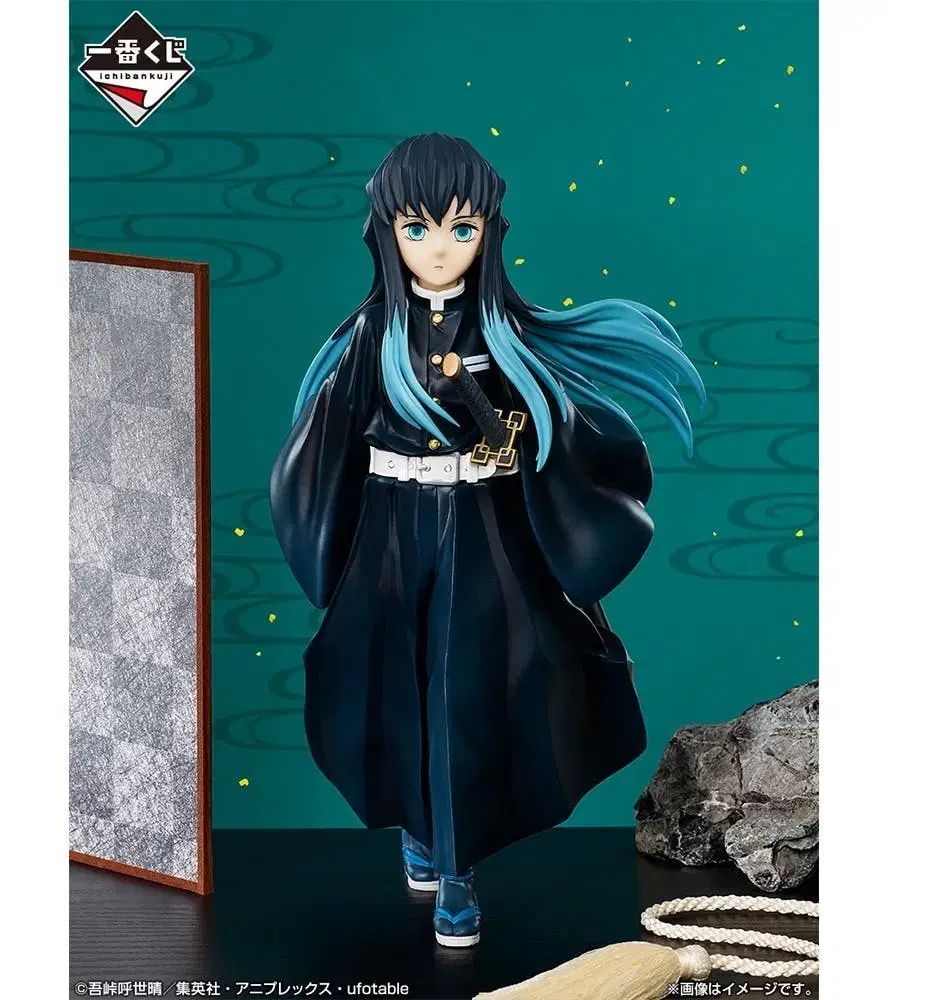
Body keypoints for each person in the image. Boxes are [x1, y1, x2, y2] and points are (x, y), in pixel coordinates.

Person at [270, 133, 705, 947]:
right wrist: (330, 534)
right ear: (387, 232)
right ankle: (418, 824)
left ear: (488, 233)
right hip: (390, 532)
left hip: (479, 531)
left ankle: (457, 866)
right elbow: (326, 443)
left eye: (460, 230)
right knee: (393, 683)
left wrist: (522, 440)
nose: (439, 250)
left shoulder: (504, 336)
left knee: (466, 690)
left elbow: (555, 430)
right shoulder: (371, 337)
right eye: (418, 229)